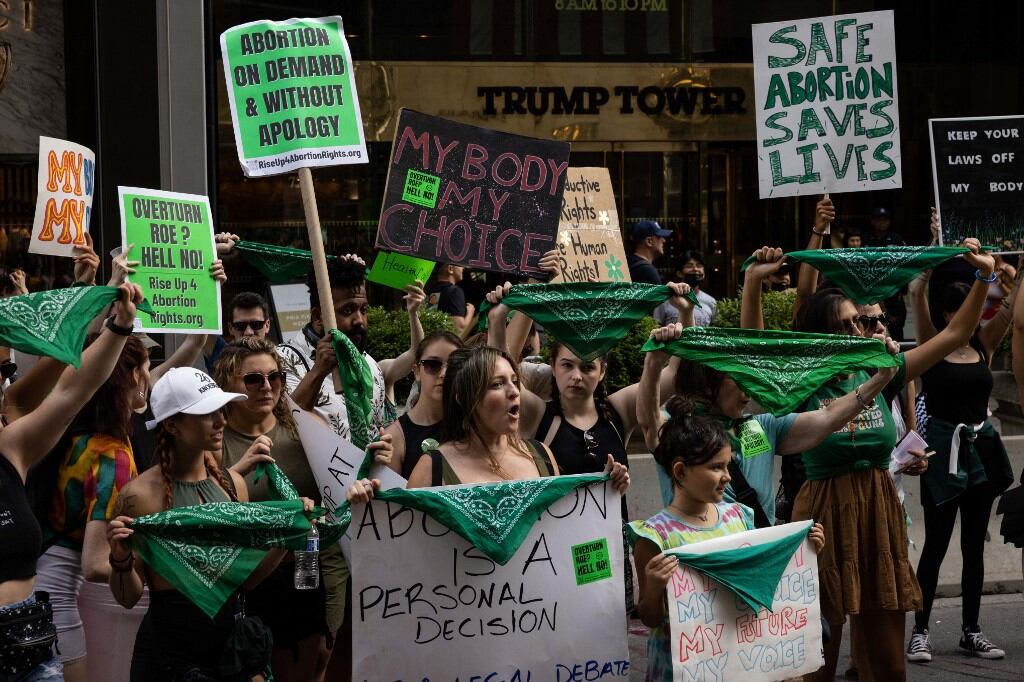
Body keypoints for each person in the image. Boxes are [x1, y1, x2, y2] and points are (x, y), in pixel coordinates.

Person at [782, 239, 994, 681]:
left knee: (888, 667)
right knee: (815, 661)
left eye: (861, 323)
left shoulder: (882, 371)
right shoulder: (802, 384)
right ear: (820, 334)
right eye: (848, 325)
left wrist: (985, 276)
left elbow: (955, 334)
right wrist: (751, 283)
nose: (860, 331)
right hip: (823, 516)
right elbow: (760, 346)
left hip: (878, 512)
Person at [106, 368, 310, 680]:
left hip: (229, 652)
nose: (221, 422)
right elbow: (128, 597)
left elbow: (247, 580)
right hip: (170, 657)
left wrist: (287, 536)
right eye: (207, 414)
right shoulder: (139, 497)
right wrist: (119, 559)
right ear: (172, 425)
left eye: (220, 410)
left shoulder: (233, 485)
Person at [214, 337, 390, 681]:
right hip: (243, 580)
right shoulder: (215, 439)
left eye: (275, 377)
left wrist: (375, 463)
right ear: (228, 385)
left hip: (305, 567)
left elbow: (342, 491)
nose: (267, 386)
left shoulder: (305, 427)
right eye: (253, 379)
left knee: (305, 666)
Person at [0, 282, 142, 682]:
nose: (3, 383)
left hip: (33, 645)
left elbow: (73, 390)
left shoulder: (10, 448)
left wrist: (120, 326)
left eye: (4, 373)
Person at [628, 393, 825, 682]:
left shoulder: (739, 516)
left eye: (727, 465)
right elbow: (650, 618)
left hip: (736, 665)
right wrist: (655, 587)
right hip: (683, 670)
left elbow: (760, 580)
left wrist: (804, 553)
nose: (727, 476)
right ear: (681, 471)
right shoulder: (654, 536)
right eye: (716, 467)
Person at [904, 258, 1019, 662]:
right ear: (946, 315)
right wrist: (927, 268)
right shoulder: (932, 346)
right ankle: (919, 630)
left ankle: (972, 629)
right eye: (957, 311)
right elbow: (917, 294)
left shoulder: (983, 345)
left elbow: (1008, 311)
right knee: (935, 543)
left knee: (974, 544)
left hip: (981, 449)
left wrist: (1014, 277)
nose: (967, 317)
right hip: (941, 451)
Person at [350, 345, 629, 495]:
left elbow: (563, 530)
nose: (513, 391)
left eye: (515, 381)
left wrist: (607, 491)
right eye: (497, 384)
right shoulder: (433, 468)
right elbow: (409, 550)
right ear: (464, 398)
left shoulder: (542, 456)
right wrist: (367, 502)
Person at [32, 336, 149, 682]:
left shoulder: (76, 433)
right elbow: (96, 563)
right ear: (131, 378)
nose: (150, 376)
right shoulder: (113, 454)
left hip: (40, 582)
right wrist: (157, 561)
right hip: (55, 600)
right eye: (145, 367)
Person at [278, 255, 390, 439]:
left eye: (364, 310)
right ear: (318, 316)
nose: (359, 321)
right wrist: (318, 372)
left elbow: (378, 431)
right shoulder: (282, 361)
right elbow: (281, 429)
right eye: (347, 310)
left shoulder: (370, 366)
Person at [383, 330, 463, 479]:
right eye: (433, 365)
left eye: (455, 366)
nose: (444, 373)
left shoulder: (474, 425)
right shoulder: (394, 438)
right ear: (417, 372)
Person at [203, 291, 273, 371]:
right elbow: (200, 325)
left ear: (267, 325)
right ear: (230, 328)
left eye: (256, 324)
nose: (248, 332)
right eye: (240, 326)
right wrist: (212, 289)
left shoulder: (283, 359)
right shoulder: (221, 355)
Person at [425, 263, 474, 334]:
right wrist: (470, 312)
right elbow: (459, 329)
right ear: (450, 269)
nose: (463, 268)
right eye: (459, 265)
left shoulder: (428, 291)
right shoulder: (455, 291)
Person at [627, 220, 671, 286]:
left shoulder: (629, 262)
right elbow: (657, 296)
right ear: (649, 241)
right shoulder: (647, 270)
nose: (664, 240)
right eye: (659, 237)